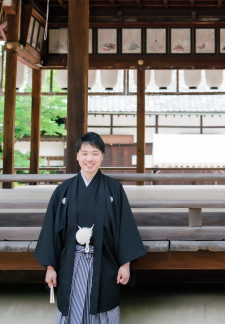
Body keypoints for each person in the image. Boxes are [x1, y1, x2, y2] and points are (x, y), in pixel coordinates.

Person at [35, 132, 146, 324]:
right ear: (77, 156)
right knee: (72, 306)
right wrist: (50, 267)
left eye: (95, 153)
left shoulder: (114, 189)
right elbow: (51, 230)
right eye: (84, 153)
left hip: (104, 261)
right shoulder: (64, 190)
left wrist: (126, 264)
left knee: (103, 306)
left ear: (102, 156)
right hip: (71, 261)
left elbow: (124, 227)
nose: (89, 158)